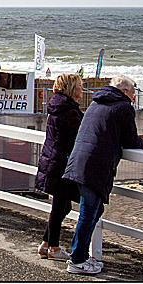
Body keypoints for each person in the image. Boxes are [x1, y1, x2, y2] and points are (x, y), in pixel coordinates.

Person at [62, 75, 143, 275]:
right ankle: (77, 260)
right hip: (95, 164)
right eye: (133, 93)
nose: (133, 98)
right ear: (125, 91)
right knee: (88, 212)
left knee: (95, 210)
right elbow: (129, 140)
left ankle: (80, 255)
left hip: (80, 160)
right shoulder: (123, 106)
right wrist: (141, 142)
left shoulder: (96, 102)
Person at [34, 73, 84, 262]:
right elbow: (77, 135)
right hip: (60, 162)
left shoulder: (59, 106)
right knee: (60, 205)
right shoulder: (67, 111)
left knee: (64, 205)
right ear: (71, 88)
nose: (82, 89)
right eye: (79, 85)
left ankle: (46, 243)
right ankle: (53, 247)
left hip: (54, 160)